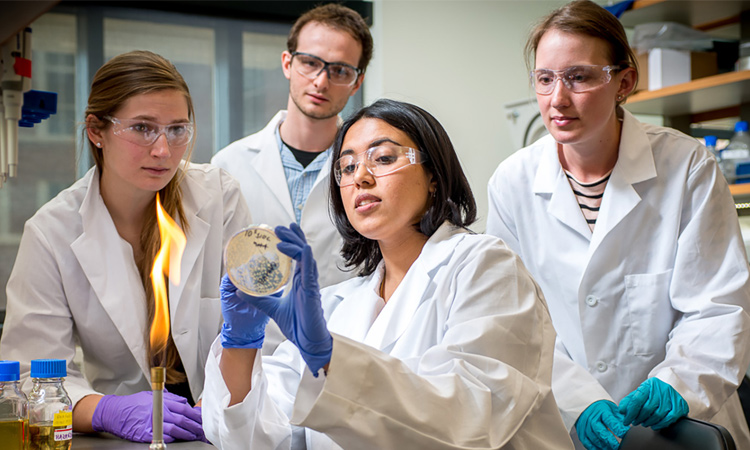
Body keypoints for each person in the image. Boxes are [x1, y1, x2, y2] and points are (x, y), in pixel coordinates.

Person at [201, 98, 575, 449]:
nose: (360, 176)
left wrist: (331, 358)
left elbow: (473, 418)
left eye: (382, 158)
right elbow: (256, 437)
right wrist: (241, 344)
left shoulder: (487, 267)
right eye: (347, 167)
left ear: (433, 175)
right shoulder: (337, 304)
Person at [486, 1, 750, 449]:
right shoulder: (512, 183)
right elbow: (515, 322)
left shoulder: (687, 167)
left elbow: (718, 304)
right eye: (545, 79)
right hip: (567, 425)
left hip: (684, 426)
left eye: (580, 76)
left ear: (624, 81)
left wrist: (681, 381)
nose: (558, 99)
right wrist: (576, 399)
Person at [0, 50, 252, 443]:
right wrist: (103, 410)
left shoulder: (220, 198)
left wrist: (226, 400)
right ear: (96, 130)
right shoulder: (52, 233)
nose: (163, 151)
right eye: (142, 128)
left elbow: (259, 328)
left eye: (177, 129)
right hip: (120, 436)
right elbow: (31, 375)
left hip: (222, 425)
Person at [211, 3, 372, 290]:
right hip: (253, 334)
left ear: (357, 82)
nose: (321, 81)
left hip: (338, 334)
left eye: (340, 70)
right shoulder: (228, 165)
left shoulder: (370, 173)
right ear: (288, 63)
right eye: (310, 62)